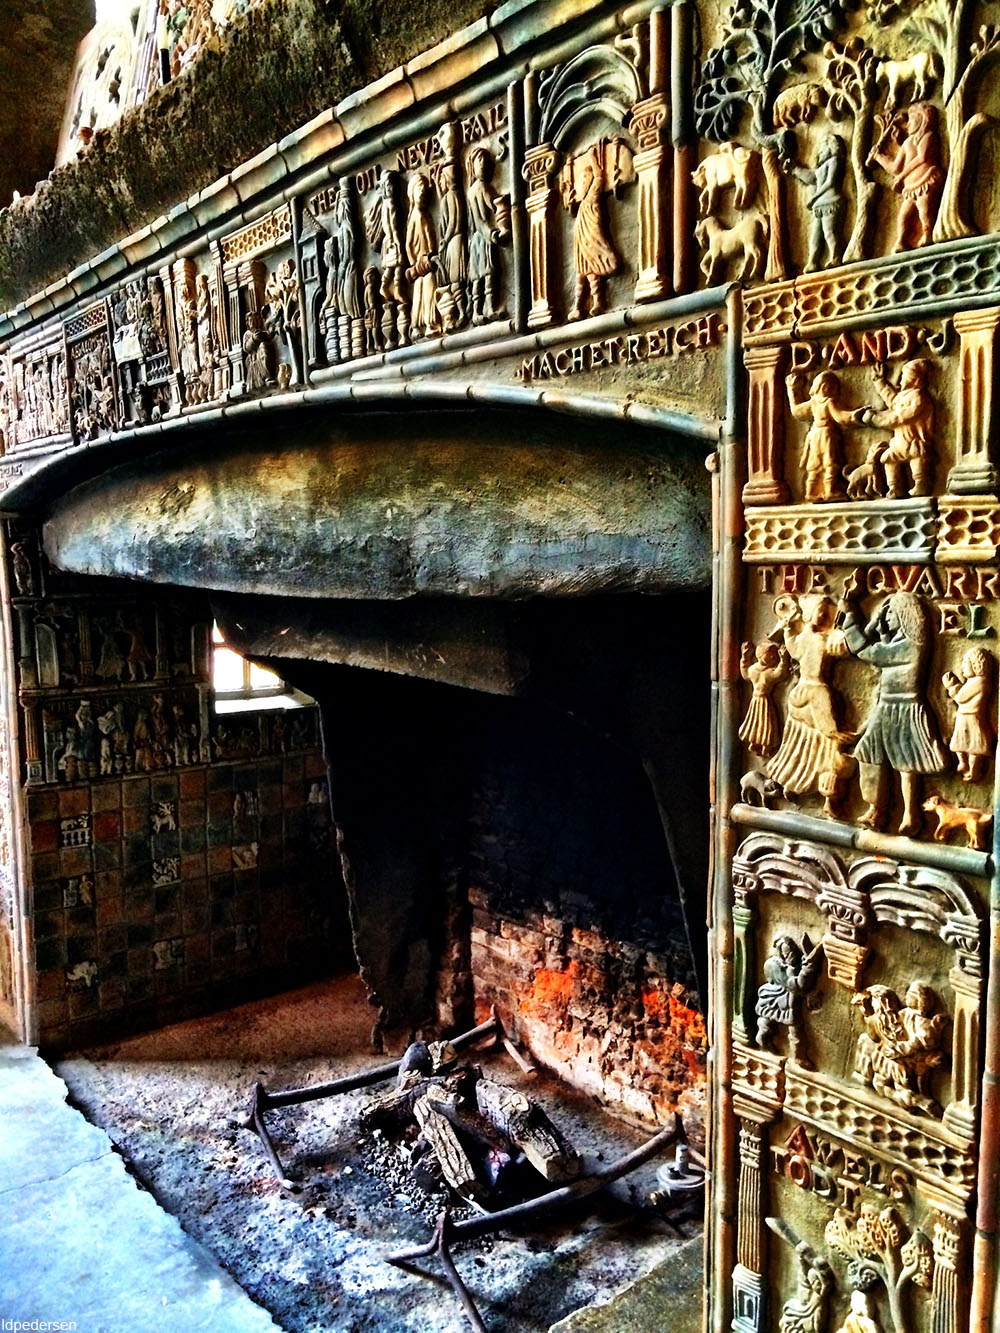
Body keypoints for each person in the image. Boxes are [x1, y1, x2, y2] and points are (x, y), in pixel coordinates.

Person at [840, 579, 947, 834]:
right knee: (868, 753)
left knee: (905, 762)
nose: (885, 619)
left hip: (905, 707)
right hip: (886, 707)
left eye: (890, 614)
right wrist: (878, 623)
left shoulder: (912, 645)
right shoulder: (898, 641)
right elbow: (880, 648)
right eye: (885, 615)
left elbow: (866, 651)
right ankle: (877, 809)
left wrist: (851, 613)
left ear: (904, 615)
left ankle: (911, 815)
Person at [766, 595, 854, 815]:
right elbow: (846, 647)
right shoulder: (824, 639)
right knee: (831, 747)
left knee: (799, 744)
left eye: (826, 612)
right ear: (808, 612)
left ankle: (791, 784)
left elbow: (791, 643)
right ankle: (827, 799)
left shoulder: (799, 639)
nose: (823, 616)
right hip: (815, 693)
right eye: (820, 610)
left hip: (799, 694)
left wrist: (788, 627)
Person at [869, 102, 943, 251]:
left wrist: (902, 177)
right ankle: (901, 241)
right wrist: (879, 157)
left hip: (925, 180)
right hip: (910, 186)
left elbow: (922, 158)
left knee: (924, 210)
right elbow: (896, 168)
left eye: (911, 119)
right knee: (904, 215)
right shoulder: (907, 143)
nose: (908, 124)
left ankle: (928, 234)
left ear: (922, 119)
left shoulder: (928, 136)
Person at [860, 359, 935, 498]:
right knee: (888, 459)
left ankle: (921, 484)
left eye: (905, 375)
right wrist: (879, 381)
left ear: (916, 379)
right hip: (899, 442)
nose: (902, 378)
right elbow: (891, 399)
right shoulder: (902, 396)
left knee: (917, 459)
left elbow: (900, 416)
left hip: (914, 441)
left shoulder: (919, 397)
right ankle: (895, 487)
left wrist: (877, 420)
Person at [787, 370, 865, 502]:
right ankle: (830, 491)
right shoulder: (829, 402)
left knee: (815, 464)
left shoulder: (813, 403)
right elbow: (840, 416)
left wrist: (792, 390)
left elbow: (796, 410)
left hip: (815, 436)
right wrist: (853, 415)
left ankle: (811, 491)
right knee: (830, 463)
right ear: (825, 387)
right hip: (827, 435)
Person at [756, 933, 823, 1067]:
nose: (791, 955)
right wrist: (808, 967)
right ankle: (763, 1039)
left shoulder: (795, 965)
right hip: (778, 1000)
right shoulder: (777, 967)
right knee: (769, 1022)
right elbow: (797, 985)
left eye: (792, 951)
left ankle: (799, 1057)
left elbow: (804, 986)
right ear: (781, 953)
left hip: (792, 1002)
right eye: (787, 953)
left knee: (796, 1031)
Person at [790, 133, 846, 271]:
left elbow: (829, 183)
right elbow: (812, 178)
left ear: (831, 147)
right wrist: (794, 169)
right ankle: (812, 261)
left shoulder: (834, 161)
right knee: (815, 235)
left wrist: (814, 197)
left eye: (822, 146)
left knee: (829, 232)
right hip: (819, 204)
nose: (820, 150)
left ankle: (836, 257)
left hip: (830, 201)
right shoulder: (821, 168)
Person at [943, 647, 995, 781]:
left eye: (965, 663)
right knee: (959, 744)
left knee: (973, 747)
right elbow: (964, 693)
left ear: (976, 664)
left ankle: (974, 770)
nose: (962, 666)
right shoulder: (973, 682)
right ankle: (963, 763)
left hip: (972, 719)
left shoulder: (980, 682)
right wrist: (956, 685)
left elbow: (960, 697)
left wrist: (951, 686)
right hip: (963, 717)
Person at [739, 640, 790, 757]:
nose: (773, 657)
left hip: (760, 701)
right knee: (760, 724)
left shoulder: (766, 672)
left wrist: (783, 660)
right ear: (761, 656)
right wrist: (745, 657)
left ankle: (765, 746)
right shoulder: (758, 671)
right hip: (761, 702)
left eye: (774, 656)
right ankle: (755, 743)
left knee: (764, 725)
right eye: (770, 655)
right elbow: (745, 673)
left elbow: (780, 674)